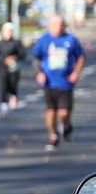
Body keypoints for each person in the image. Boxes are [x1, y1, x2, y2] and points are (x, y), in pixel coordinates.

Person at [33, 14, 86, 151]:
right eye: (54, 24)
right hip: (49, 83)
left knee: (64, 113)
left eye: (60, 24)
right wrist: (39, 72)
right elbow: (36, 59)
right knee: (51, 111)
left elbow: (81, 56)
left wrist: (76, 72)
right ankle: (53, 135)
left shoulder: (70, 39)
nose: (58, 27)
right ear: (50, 26)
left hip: (66, 82)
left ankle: (66, 126)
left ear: (64, 25)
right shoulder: (44, 40)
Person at [0, 22, 26, 115]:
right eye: (7, 31)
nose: (9, 33)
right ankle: (4, 104)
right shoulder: (0, 44)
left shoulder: (16, 43)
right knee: (3, 84)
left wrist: (15, 58)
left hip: (14, 69)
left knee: (12, 83)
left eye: (11, 31)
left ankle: (13, 95)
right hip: (2, 68)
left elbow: (23, 54)